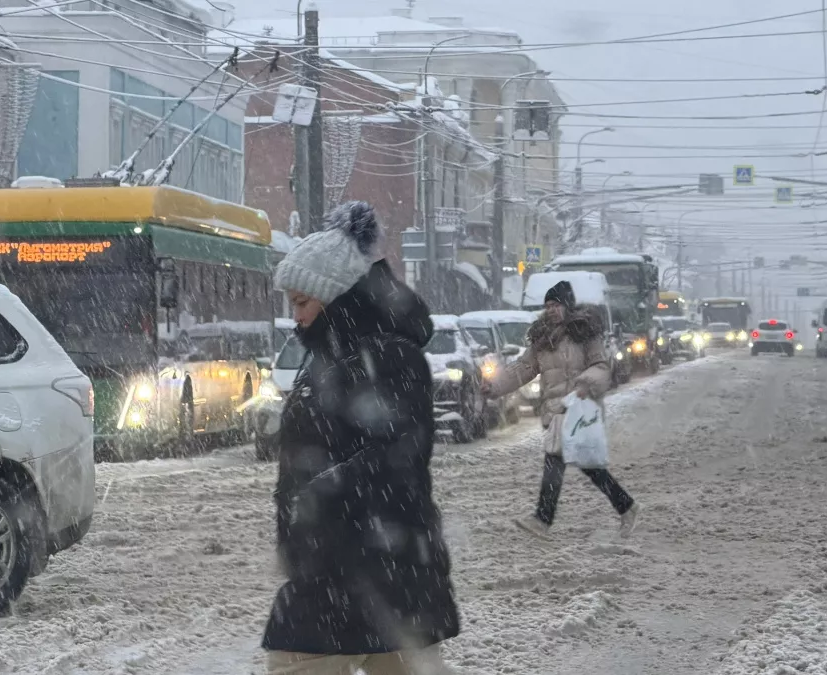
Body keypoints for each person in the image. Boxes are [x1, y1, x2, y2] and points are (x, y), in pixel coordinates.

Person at [262, 201, 460, 675]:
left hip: (385, 569)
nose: (297, 318)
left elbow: (398, 457)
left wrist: (317, 496)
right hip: (331, 571)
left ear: (333, 295)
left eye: (302, 302)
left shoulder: (392, 357)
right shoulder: (326, 360)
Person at [482, 280, 640, 539]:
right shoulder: (543, 340)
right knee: (579, 466)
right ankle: (625, 507)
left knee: (562, 464)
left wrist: (584, 385)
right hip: (556, 410)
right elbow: (522, 368)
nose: (552, 310)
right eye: (548, 306)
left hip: (579, 409)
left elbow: (601, 367)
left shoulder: (585, 333)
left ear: (567, 305)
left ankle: (544, 520)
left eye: (556, 305)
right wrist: (495, 386)